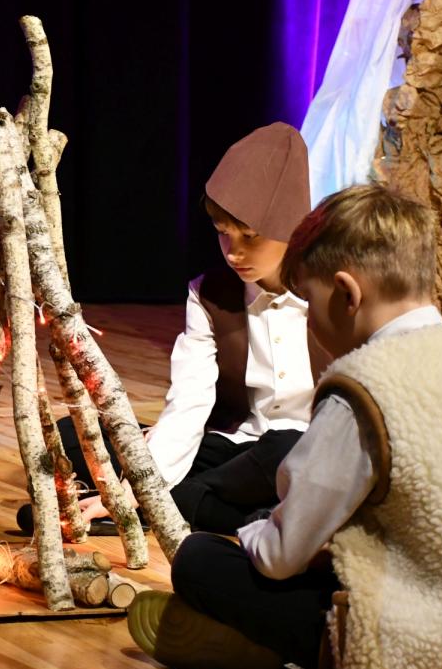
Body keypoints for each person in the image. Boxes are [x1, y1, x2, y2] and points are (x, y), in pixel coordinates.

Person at [130, 184, 442, 669]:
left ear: (345, 293)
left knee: (201, 560)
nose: (309, 320)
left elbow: (279, 557)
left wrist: (255, 532)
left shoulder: (364, 389)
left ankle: (274, 647)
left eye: (309, 301)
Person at [21, 122, 328, 536]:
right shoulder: (209, 293)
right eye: (223, 234)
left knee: (285, 448)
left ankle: (162, 506)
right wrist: (145, 479)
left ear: (291, 228)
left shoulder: (331, 293)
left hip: (301, 455)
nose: (234, 253)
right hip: (229, 448)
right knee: (72, 438)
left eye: (251, 237)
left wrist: (138, 490)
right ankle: (204, 508)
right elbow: (190, 400)